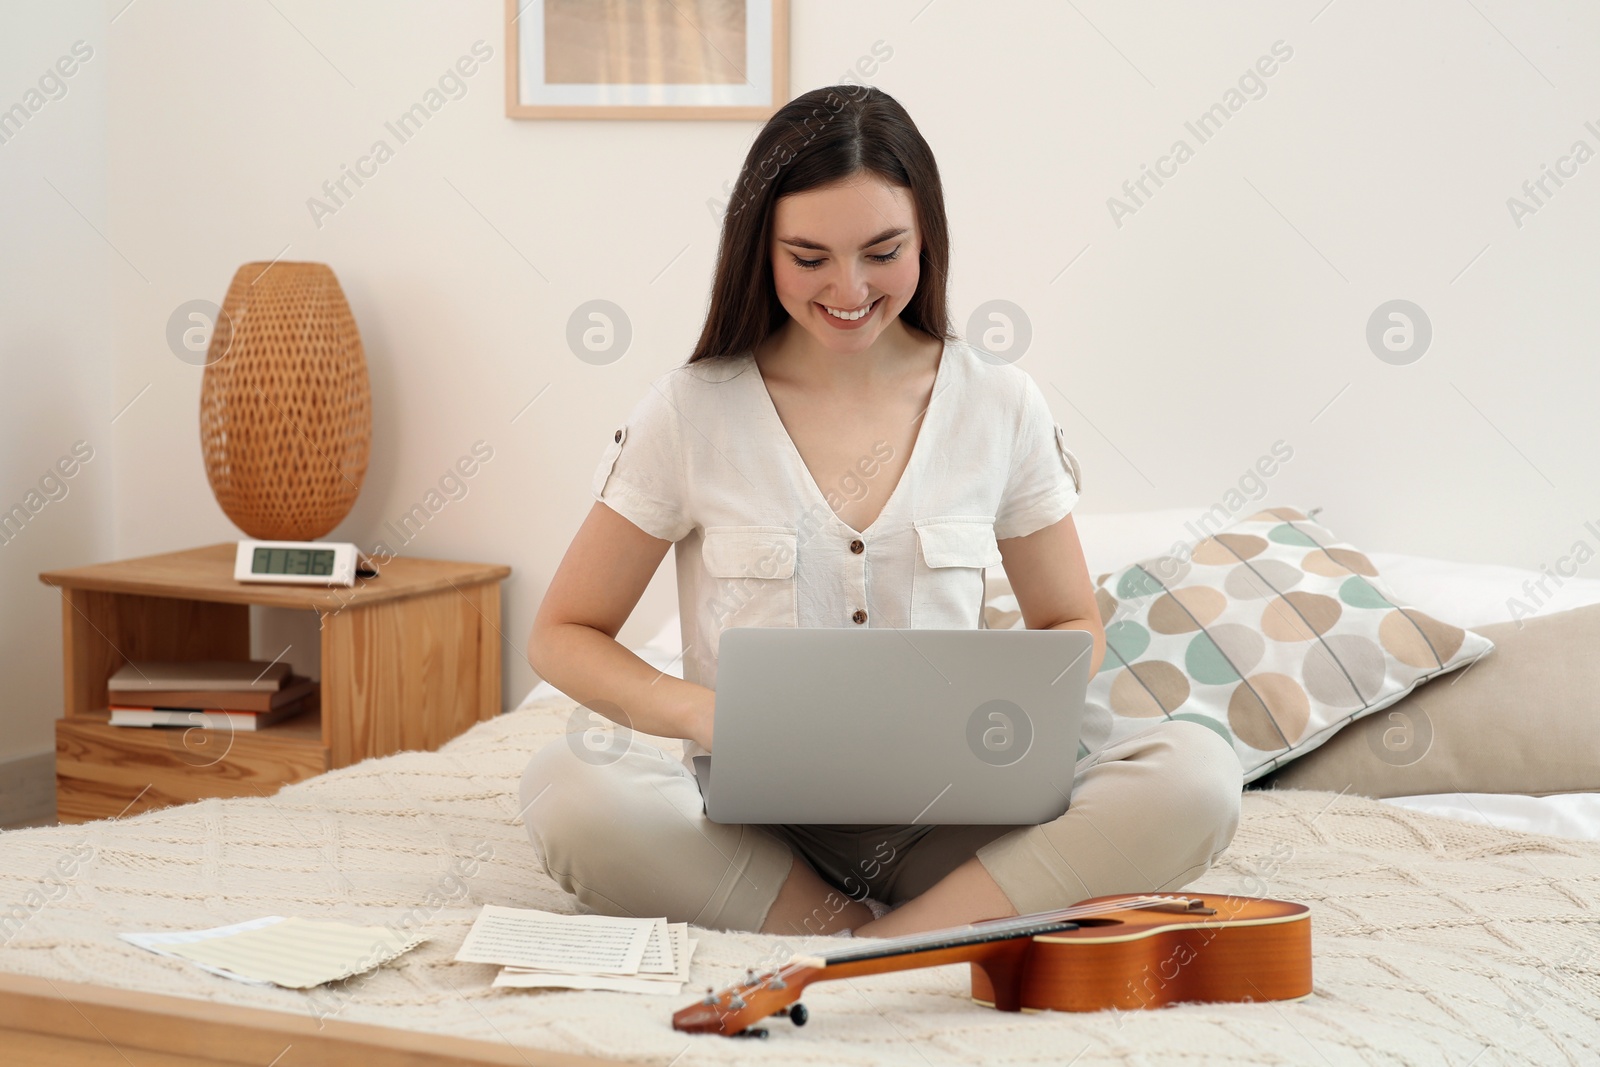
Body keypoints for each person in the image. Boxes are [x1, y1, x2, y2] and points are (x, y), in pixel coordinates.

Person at [521, 84, 1241, 939]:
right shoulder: (689, 412)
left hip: (959, 828)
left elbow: (1068, 619)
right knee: (565, 785)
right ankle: (867, 929)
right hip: (755, 835)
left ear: (925, 237)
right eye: (810, 256)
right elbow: (562, 633)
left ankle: (883, 940)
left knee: (1196, 772)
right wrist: (704, 714)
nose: (849, 288)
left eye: (881, 250)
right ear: (761, 249)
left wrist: (1005, 713)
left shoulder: (998, 404)